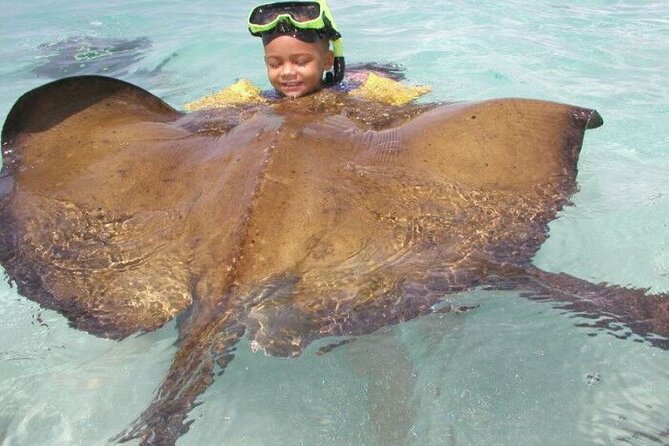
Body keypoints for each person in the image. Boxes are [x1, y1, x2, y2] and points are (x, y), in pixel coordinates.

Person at [247, 0, 345, 98]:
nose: (287, 72)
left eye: (301, 62)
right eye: (275, 64)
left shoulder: (341, 98)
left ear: (327, 61)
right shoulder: (261, 100)